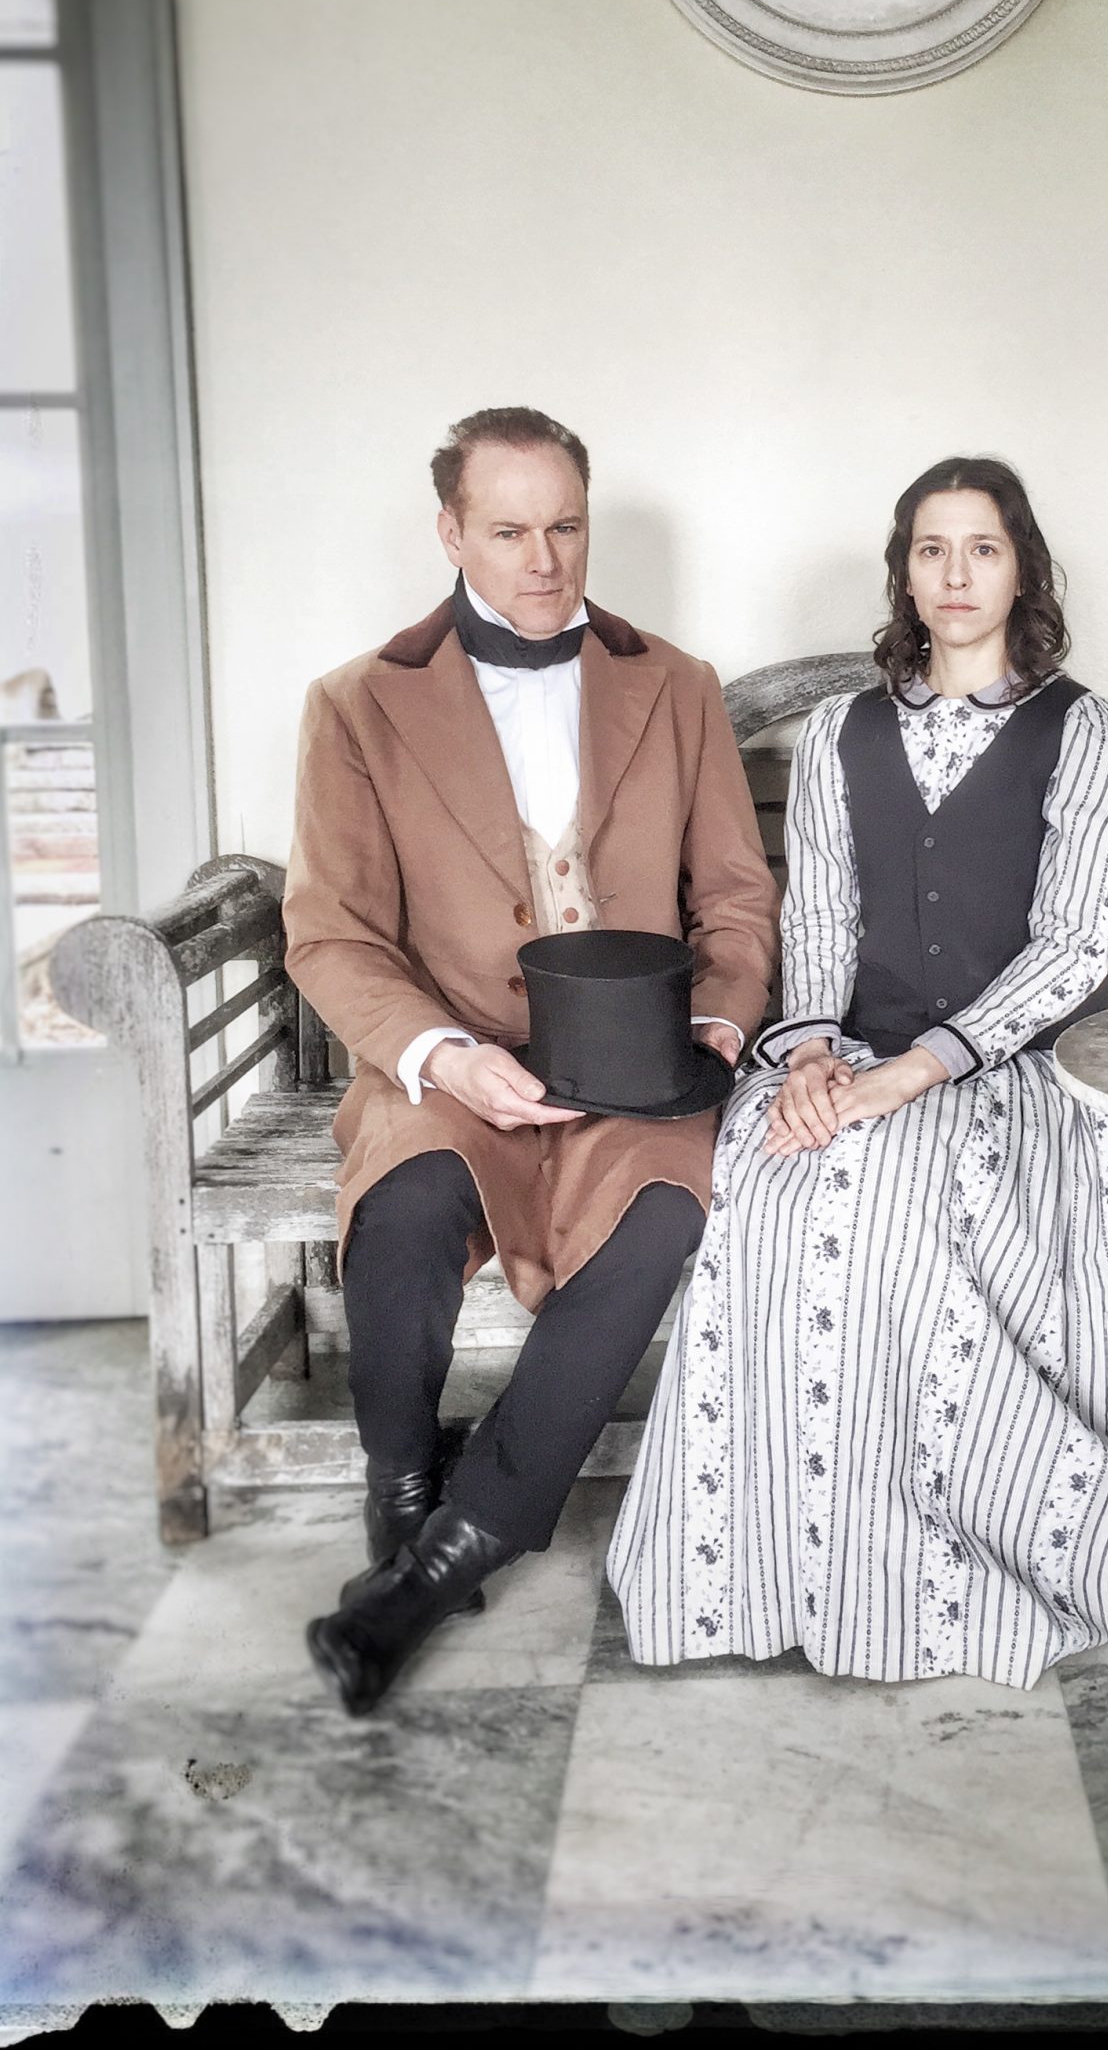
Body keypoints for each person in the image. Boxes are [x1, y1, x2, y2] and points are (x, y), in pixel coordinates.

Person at [608, 456, 1108, 1686]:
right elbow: (818, 915)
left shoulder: (1093, 734)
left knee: (899, 1202)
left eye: (982, 548)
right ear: (904, 574)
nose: (956, 573)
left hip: (1031, 1069)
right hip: (852, 1049)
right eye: (931, 548)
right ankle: (769, 1569)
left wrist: (915, 1073)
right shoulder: (840, 734)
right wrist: (812, 1054)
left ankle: (921, 1581)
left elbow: (1073, 947)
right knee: (769, 1188)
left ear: (1023, 571)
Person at [284, 406, 777, 1714]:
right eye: (509, 531)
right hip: (452, 1061)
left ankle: (443, 1560)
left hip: (641, 1068)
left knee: (664, 1217)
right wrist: (441, 1057)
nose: (545, 559)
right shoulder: (355, 705)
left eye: (566, 526)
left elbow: (735, 900)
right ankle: (402, 1493)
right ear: (451, 532)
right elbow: (330, 934)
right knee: (407, 1201)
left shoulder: (678, 685)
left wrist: (717, 1019)